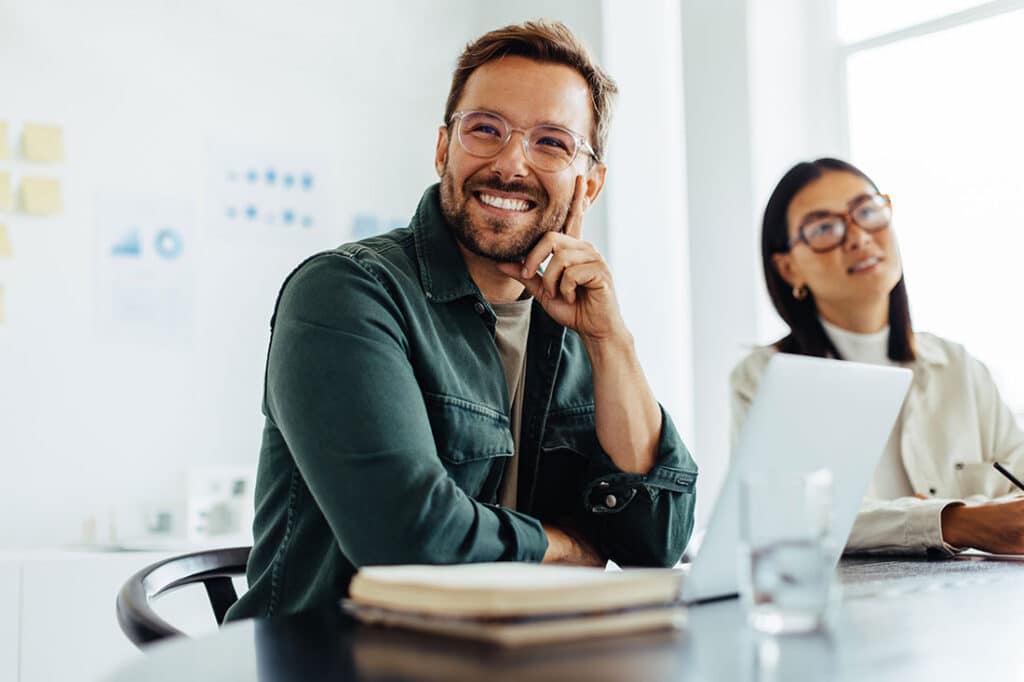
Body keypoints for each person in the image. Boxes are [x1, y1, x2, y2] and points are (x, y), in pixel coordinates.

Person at [226, 20, 698, 621]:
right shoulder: (345, 293)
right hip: (337, 661)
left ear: (590, 182)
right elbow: (407, 539)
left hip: (515, 657)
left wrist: (611, 341)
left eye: (551, 142)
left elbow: (657, 541)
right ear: (444, 148)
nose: (510, 164)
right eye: (486, 130)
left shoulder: (577, 322)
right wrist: (567, 547)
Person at [731, 157, 1024, 556]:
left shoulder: (959, 368)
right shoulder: (764, 377)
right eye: (824, 227)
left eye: (867, 211)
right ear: (787, 268)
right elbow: (784, 518)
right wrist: (953, 522)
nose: (857, 236)